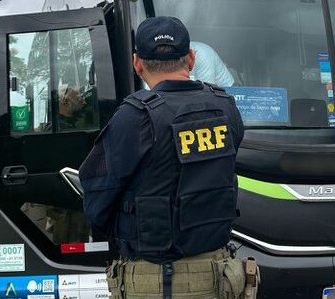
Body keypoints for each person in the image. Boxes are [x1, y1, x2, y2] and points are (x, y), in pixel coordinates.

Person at [79, 16, 245, 299]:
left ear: (137, 63)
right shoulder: (225, 107)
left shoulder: (134, 116)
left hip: (157, 282)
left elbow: (97, 200)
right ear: (191, 59)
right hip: (221, 276)